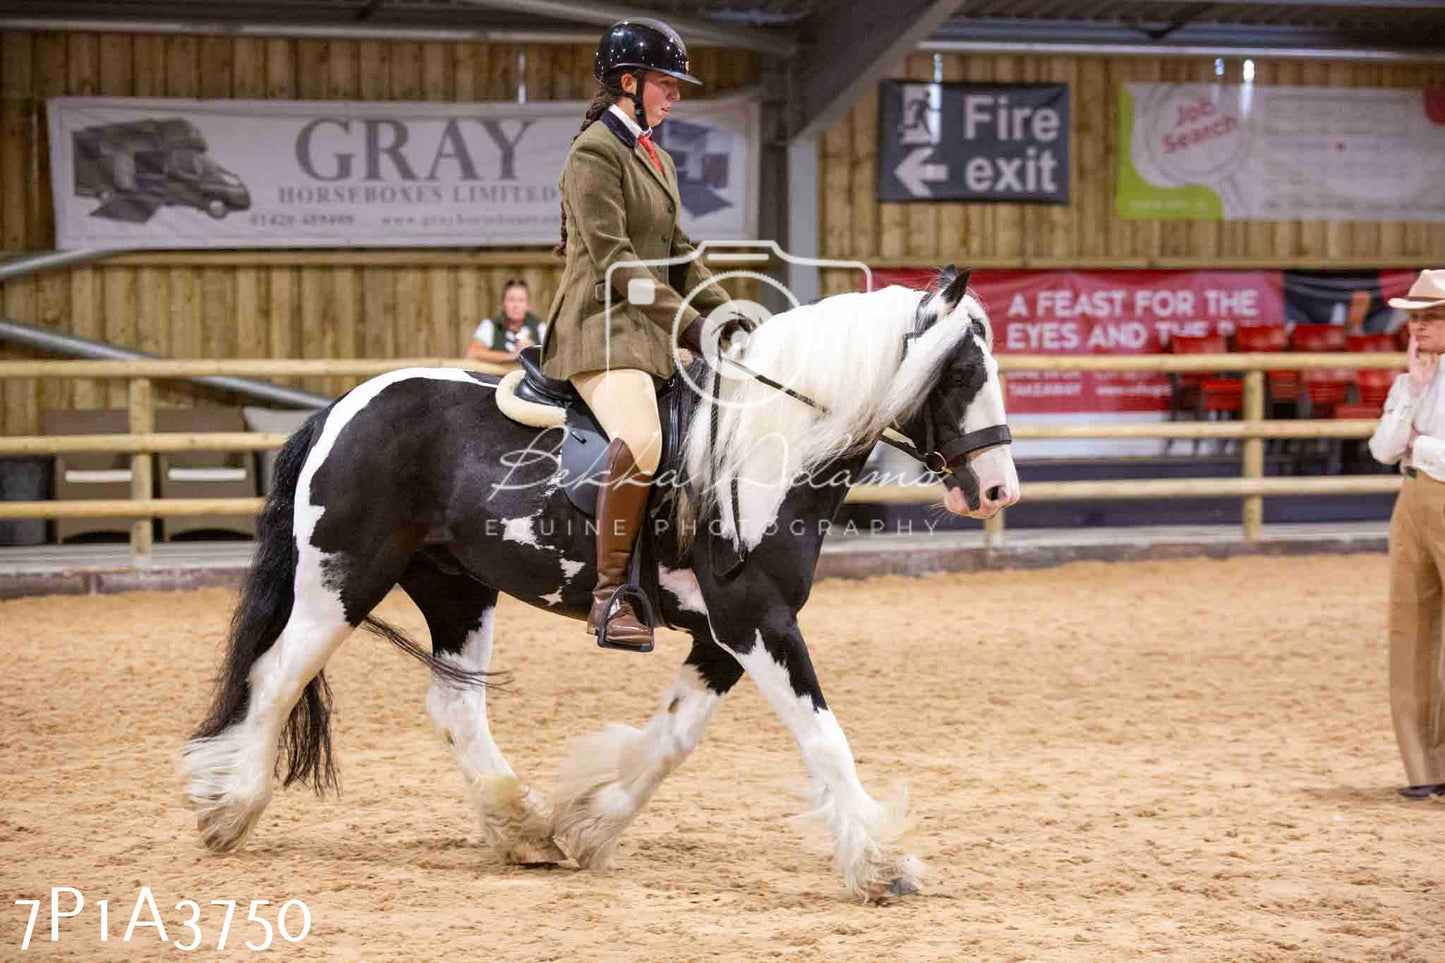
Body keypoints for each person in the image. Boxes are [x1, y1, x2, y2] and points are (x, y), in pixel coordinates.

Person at [538, 17, 740, 649]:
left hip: (647, 329)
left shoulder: (654, 155)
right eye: (665, 83)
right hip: (599, 328)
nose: (675, 95)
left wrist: (731, 316)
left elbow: (681, 254)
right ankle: (609, 597)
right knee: (644, 439)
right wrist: (692, 325)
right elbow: (618, 262)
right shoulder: (593, 152)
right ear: (628, 83)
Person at [1369, 268, 1445, 798]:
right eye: (1415, 319)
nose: (1417, 328)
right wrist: (1415, 396)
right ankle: (1425, 771)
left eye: (1431, 317)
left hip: (1431, 486)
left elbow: (1408, 446)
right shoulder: (1408, 380)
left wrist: (1417, 445)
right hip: (1414, 500)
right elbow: (1381, 447)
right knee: (1409, 632)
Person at [466, 279, 546, 364]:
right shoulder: (490, 326)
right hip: (499, 376)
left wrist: (533, 351)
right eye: (511, 300)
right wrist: (511, 356)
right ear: (503, 304)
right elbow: (473, 353)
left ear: (527, 305)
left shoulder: (539, 327)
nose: (516, 305)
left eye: (521, 300)